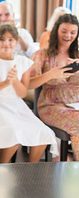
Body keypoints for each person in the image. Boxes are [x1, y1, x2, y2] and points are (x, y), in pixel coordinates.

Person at [0, 24, 58, 163]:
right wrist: (5, 83)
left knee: (43, 132)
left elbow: (22, 93)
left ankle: (30, 169)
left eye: (10, 40)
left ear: (16, 42)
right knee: (13, 134)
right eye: (2, 39)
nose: (6, 43)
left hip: (16, 106)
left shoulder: (23, 62)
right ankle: (1, 166)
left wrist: (15, 80)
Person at [29, 13, 79, 161]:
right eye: (64, 31)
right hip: (51, 105)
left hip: (75, 104)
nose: (68, 36)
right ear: (56, 30)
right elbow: (29, 83)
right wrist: (51, 74)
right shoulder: (41, 55)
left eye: (72, 32)